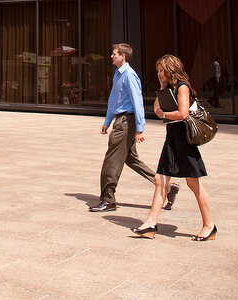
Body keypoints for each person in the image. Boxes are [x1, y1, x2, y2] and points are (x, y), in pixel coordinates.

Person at [132, 54, 216, 241]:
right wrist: (162, 90)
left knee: (193, 183)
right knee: (160, 179)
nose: (159, 74)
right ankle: (150, 223)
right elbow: (156, 108)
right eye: (158, 71)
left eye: (161, 71)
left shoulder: (182, 87)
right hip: (172, 138)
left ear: (171, 69)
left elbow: (182, 113)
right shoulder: (168, 89)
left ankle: (209, 225)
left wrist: (164, 114)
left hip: (184, 140)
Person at [89, 43, 163, 213]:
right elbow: (113, 99)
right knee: (130, 159)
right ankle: (167, 186)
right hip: (119, 120)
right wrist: (107, 122)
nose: (111, 56)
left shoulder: (129, 75)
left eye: (114, 54)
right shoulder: (117, 74)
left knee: (111, 161)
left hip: (125, 123)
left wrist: (140, 129)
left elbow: (137, 102)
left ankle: (108, 200)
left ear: (123, 56)